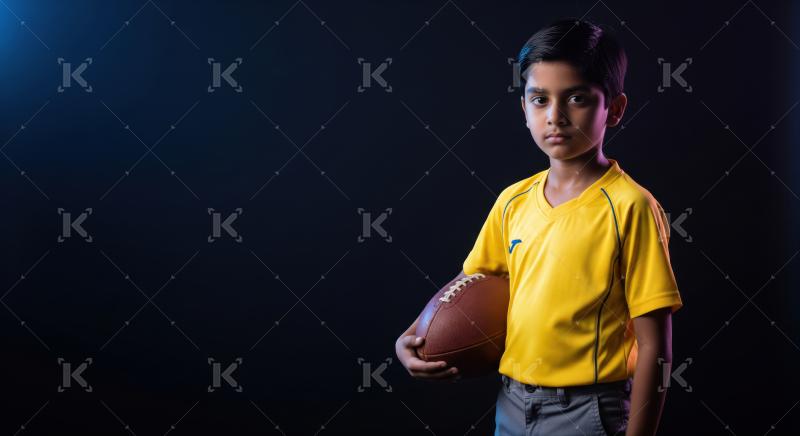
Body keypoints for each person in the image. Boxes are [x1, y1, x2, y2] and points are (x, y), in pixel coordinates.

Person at [395, 17, 683, 436]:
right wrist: (412, 335)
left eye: (577, 98)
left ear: (614, 109)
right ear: (524, 109)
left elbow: (655, 344)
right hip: (512, 402)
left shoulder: (631, 207)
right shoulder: (513, 200)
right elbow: (474, 279)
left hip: (589, 409)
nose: (556, 116)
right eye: (540, 99)